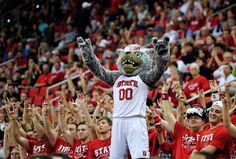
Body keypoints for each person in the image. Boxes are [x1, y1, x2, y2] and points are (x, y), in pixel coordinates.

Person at [77, 35, 170, 158]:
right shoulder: (116, 77)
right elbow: (98, 70)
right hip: (117, 121)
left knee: (140, 156)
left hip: (135, 120)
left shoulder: (144, 77)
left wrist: (161, 58)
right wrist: (87, 54)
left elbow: (157, 71)